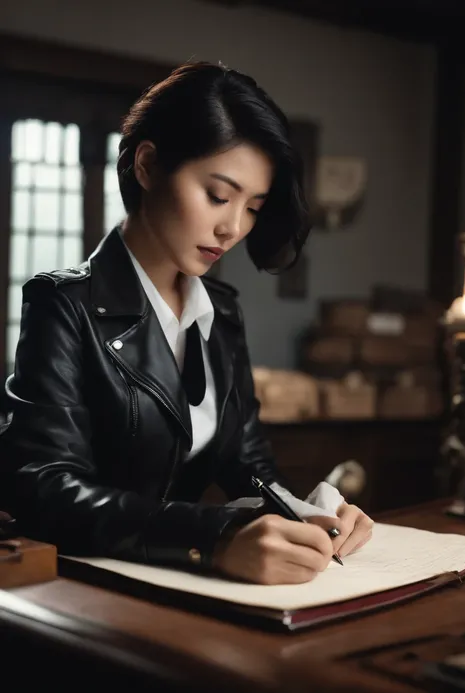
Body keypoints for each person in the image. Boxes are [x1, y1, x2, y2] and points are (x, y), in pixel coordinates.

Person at [0, 61, 373, 585]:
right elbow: (43, 485)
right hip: (83, 585)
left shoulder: (221, 310)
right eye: (219, 196)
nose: (233, 227)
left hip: (182, 580)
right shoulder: (63, 303)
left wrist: (309, 514)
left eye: (253, 207)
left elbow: (247, 464)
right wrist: (213, 538)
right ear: (148, 166)